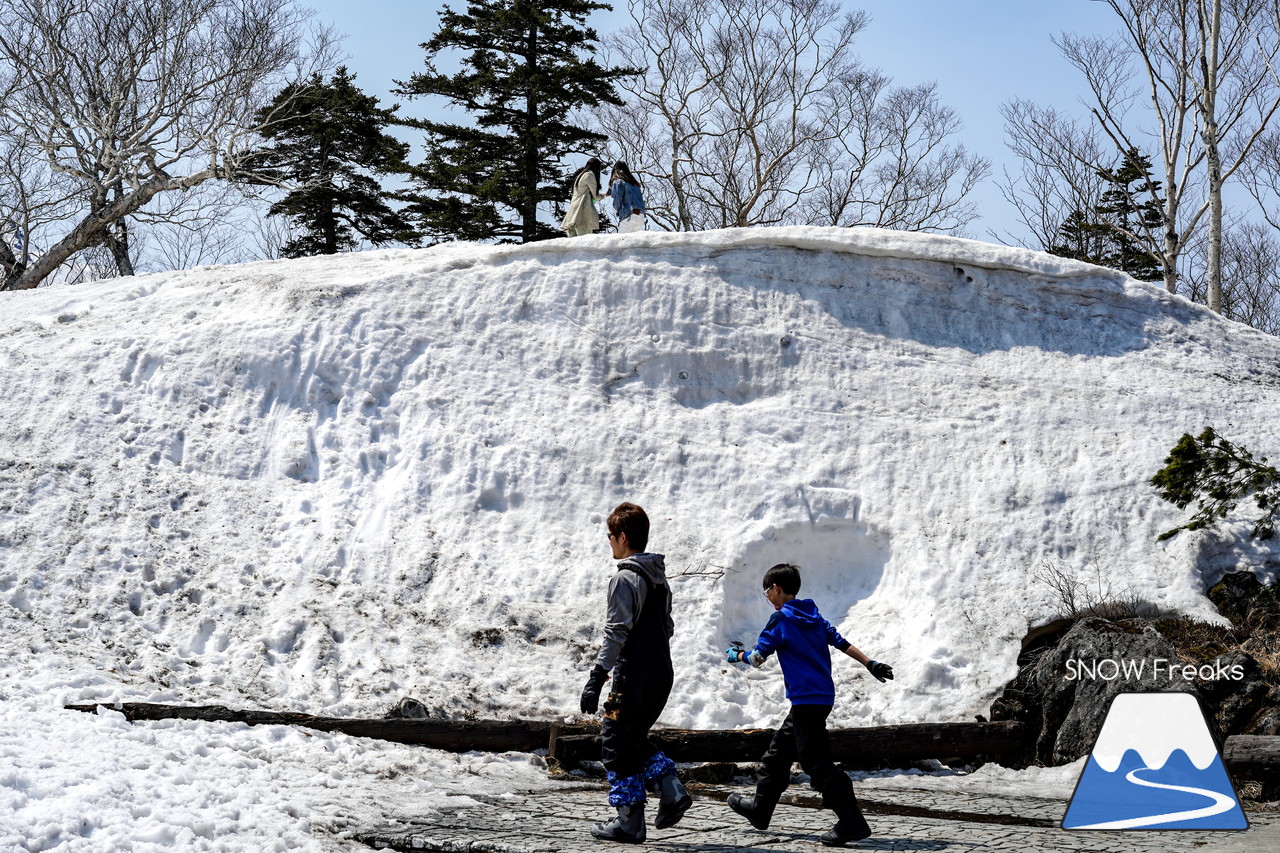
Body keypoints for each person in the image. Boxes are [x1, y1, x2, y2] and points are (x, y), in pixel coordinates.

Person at [724, 563, 894, 847]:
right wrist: (870, 663)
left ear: (776, 589)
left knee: (817, 764)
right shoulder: (814, 617)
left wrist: (736, 655)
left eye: (767, 592)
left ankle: (852, 821)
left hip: (806, 701)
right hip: (820, 698)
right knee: (777, 756)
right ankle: (760, 810)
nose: (767, 598)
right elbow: (840, 642)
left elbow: (757, 658)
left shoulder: (781, 621)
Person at [580, 502, 691, 842]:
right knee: (631, 737)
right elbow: (667, 627)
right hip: (660, 674)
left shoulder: (624, 579)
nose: (609, 542)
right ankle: (670, 789)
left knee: (614, 740)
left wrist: (597, 677)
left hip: (631, 680)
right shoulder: (659, 582)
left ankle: (630, 820)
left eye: (611, 536)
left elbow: (616, 632)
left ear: (623, 537)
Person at [562, 157, 607, 237]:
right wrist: (605, 195)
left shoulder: (580, 176)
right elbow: (595, 197)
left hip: (572, 213)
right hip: (582, 212)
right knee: (585, 242)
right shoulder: (590, 175)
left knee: (572, 244)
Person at [608, 161, 646, 234]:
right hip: (640, 216)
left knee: (622, 242)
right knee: (633, 243)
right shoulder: (635, 184)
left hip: (628, 215)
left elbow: (617, 200)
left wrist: (617, 209)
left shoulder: (618, 181)